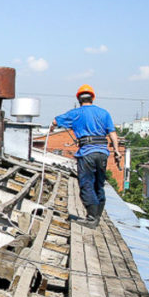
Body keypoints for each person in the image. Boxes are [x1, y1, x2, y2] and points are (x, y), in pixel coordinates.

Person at [51, 84, 121, 227]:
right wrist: (117, 151)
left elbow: (55, 121)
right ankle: (97, 217)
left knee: (86, 184)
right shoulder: (104, 113)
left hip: (86, 153)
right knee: (99, 184)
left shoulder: (75, 113)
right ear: (92, 98)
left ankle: (91, 219)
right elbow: (113, 133)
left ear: (79, 99)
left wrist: (53, 126)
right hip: (102, 153)